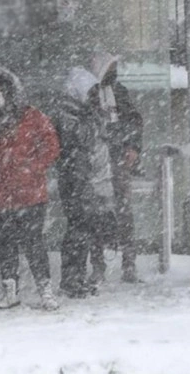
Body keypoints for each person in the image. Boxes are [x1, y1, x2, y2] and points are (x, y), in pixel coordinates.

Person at [0, 67, 61, 311]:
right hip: (3, 193)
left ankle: (45, 291)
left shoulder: (32, 116)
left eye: (0, 91)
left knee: (34, 243)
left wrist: (33, 167)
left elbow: (51, 146)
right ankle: (10, 291)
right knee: (6, 243)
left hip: (30, 192)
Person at [53, 67, 117, 298]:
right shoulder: (68, 114)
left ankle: (76, 277)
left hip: (85, 179)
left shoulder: (80, 112)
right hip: (75, 180)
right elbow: (80, 138)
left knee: (84, 230)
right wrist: (96, 119)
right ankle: (71, 279)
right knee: (77, 230)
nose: (92, 97)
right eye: (89, 92)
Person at [89, 52, 144, 284]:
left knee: (124, 211)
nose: (114, 71)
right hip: (96, 161)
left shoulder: (119, 91)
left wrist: (132, 146)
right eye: (110, 66)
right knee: (96, 212)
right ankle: (98, 265)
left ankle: (129, 264)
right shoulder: (89, 92)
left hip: (118, 157)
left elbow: (133, 120)